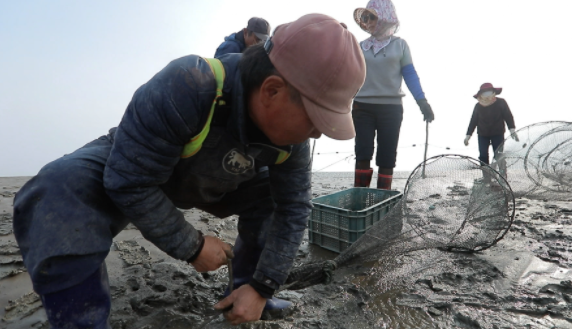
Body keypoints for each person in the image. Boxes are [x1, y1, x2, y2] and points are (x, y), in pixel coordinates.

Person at [13, 14, 366, 328]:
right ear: (272, 90)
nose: (318, 133)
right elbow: (129, 180)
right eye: (316, 120)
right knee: (57, 189)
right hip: (140, 164)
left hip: (221, 183)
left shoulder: (293, 141)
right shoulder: (189, 82)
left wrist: (262, 286)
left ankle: (244, 291)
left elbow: (294, 209)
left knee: (275, 198)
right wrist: (191, 245)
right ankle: (79, 319)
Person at [351, 0, 435, 190]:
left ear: (384, 17)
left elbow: (410, 75)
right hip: (361, 107)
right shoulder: (359, 45)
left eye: (370, 16)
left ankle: (382, 199)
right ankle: (360, 196)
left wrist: (422, 102)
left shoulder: (400, 45)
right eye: (364, 18)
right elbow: (346, 73)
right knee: (363, 152)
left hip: (391, 109)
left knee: (387, 156)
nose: (367, 21)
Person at [464, 82, 518, 174]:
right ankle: (486, 176)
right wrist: (468, 135)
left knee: (499, 156)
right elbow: (473, 121)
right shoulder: (478, 106)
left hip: (498, 133)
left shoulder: (501, 102)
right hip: (482, 134)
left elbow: (508, 116)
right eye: (485, 93)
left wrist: (512, 129)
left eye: (489, 92)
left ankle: (502, 177)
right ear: (480, 94)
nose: (487, 94)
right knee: (483, 156)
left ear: (493, 92)